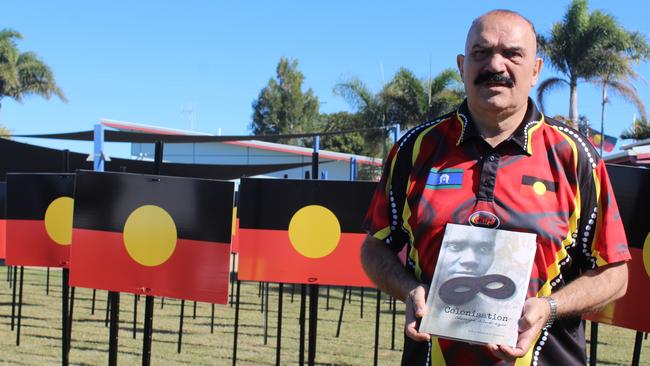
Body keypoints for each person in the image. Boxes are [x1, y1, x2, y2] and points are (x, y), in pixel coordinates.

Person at [361, 9, 630, 366]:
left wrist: (549, 307)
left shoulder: (575, 156)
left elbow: (616, 273)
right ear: (462, 66)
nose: (495, 65)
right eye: (481, 53)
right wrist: (410, 290)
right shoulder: (415, 150)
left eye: (512, 54)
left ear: (535, 69)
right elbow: (374, 248)